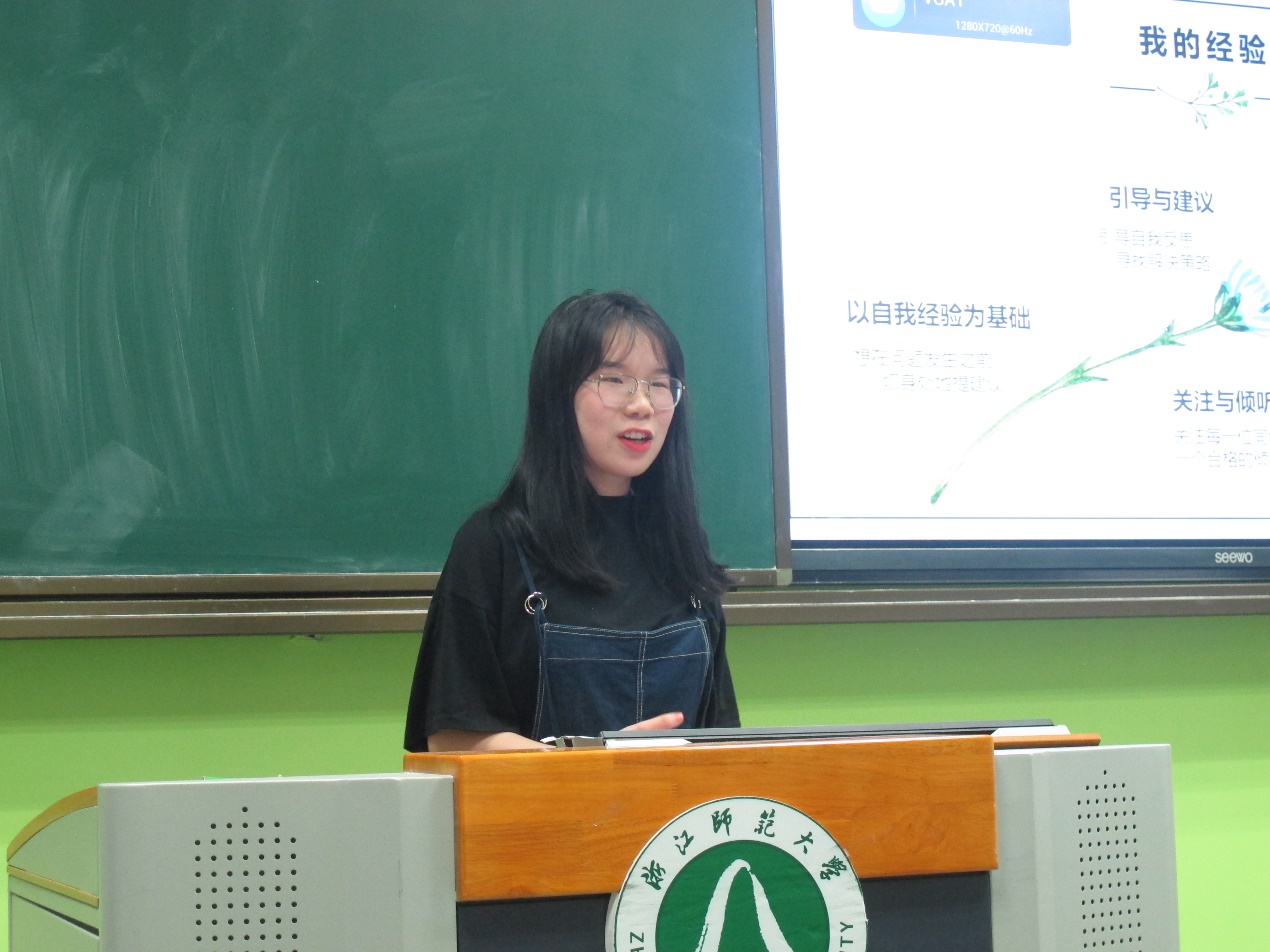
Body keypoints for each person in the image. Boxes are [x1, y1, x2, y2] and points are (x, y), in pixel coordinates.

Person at [404, 291, 740, 752]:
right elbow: (453, 741)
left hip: (676, 802)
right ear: (558, 394)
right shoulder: (494, 544)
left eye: (660, 384)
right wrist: (587, 763)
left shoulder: (682, 547)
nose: (642, 404)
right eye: (615, 379)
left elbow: (722, 741)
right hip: (544, 802)